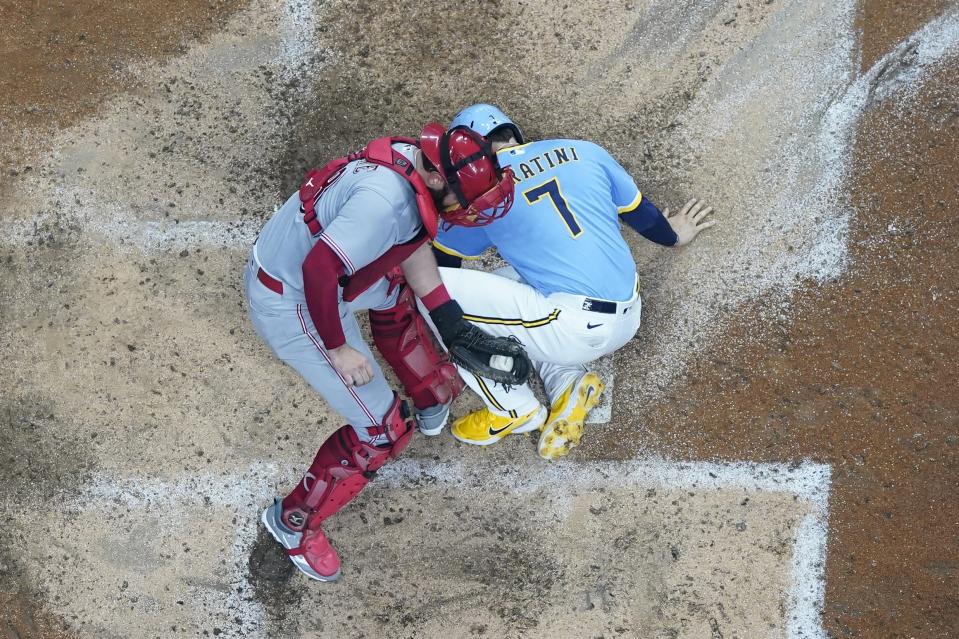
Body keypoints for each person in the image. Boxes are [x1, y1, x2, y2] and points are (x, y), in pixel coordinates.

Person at [245, 123, 520, 581]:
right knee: (384, 431)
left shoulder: (413, 164)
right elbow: (319, 271)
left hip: (309, 271)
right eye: (464, 199)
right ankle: (292, 523)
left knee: (396, 287)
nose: (469, 209)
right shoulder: (383, 203)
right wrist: (337, 348)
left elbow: (407, 246)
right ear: (437, 177)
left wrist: (450, 322)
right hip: (293, 299)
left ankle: (430, 391)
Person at [430, 104, 715, 460]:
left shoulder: (483, 193)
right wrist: (674, 236)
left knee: (431, 295)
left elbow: (442, 265)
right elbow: (640, 214)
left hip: (572, 326)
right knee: (525, 282)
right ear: (512, 132)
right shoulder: (583, 150)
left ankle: (512, 409)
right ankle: (568, 384)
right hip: (627, 313)